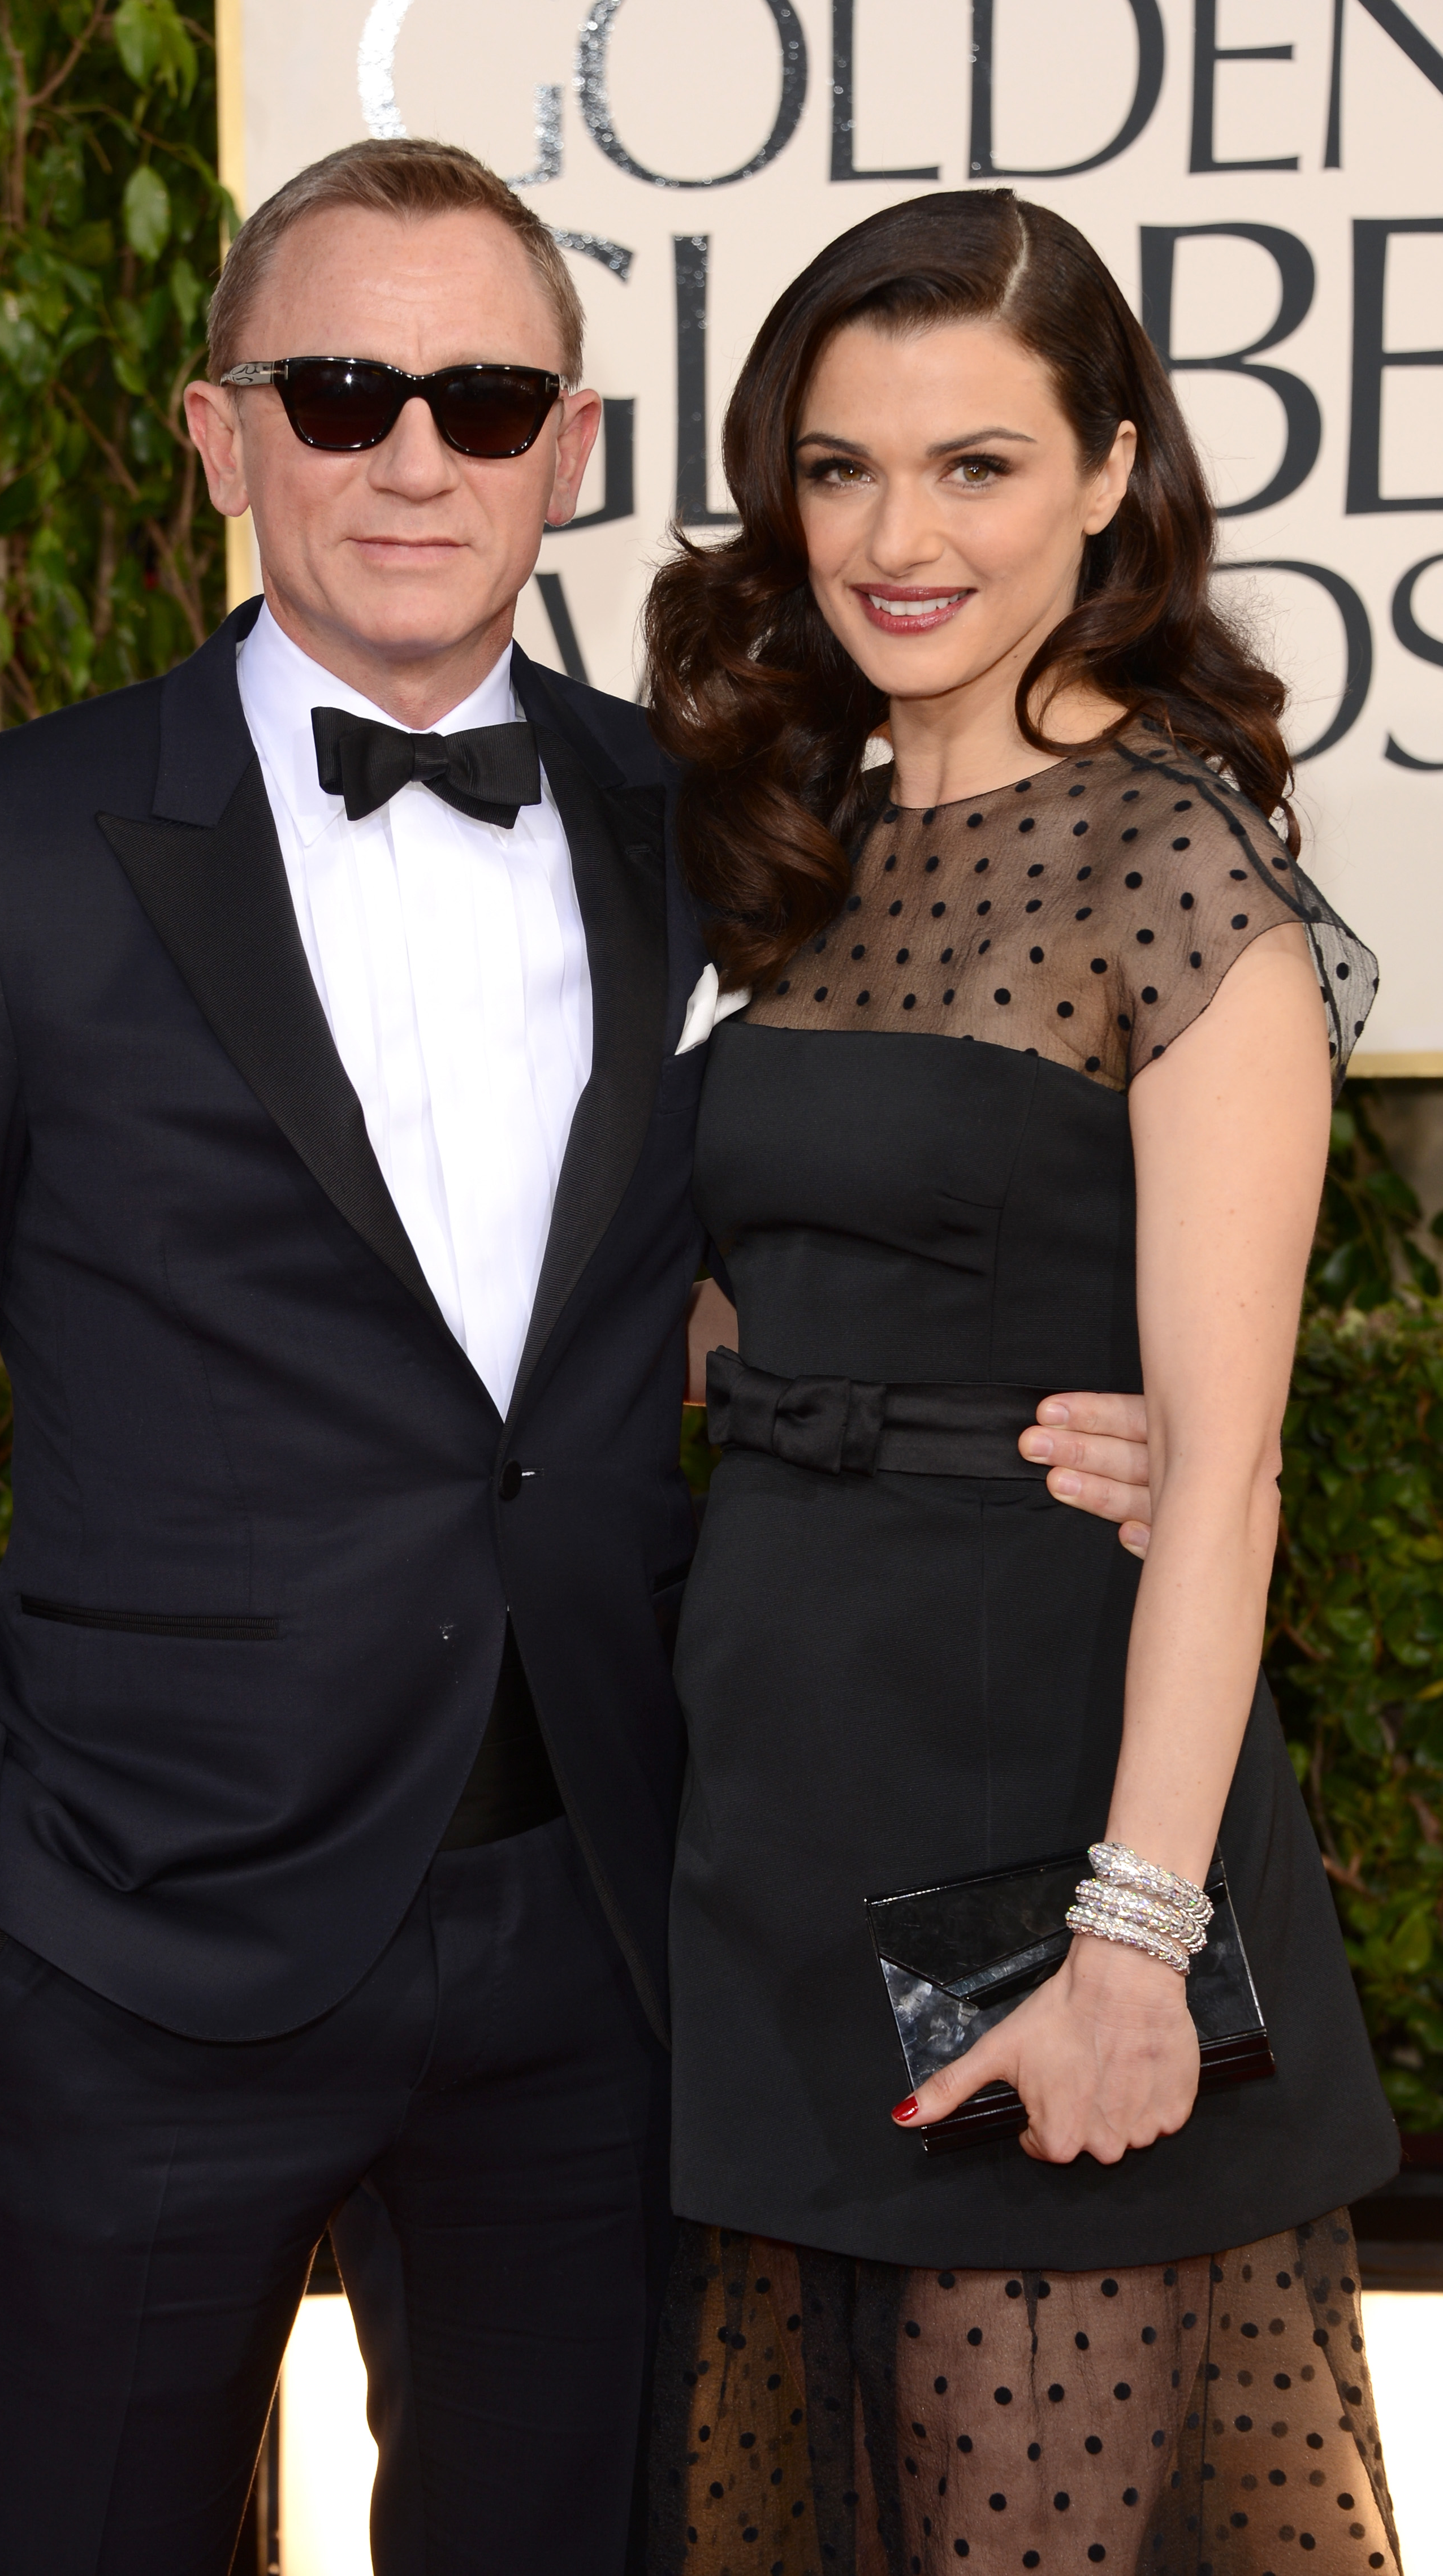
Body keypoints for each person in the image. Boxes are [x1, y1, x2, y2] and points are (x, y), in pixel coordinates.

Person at [0, 142, 1150, 2576]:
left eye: (483, 399)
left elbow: (848, 1219)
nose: (413, 456)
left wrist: (1064, 1417)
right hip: (131, 1935)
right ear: (221, 430)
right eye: (344, 389)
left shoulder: (713, 832)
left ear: (571, 451)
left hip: (595, 1935)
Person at [642, 189, 1403, 2576]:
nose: (899, 534)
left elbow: (1234, 1469)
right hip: (776, 1789)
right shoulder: (800, 832)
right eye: (844, 468)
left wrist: (1131, 1942)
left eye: (977, 465)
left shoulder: (1175, 876)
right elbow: (738, 1287)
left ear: (1112, 471)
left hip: (1037, 1813)